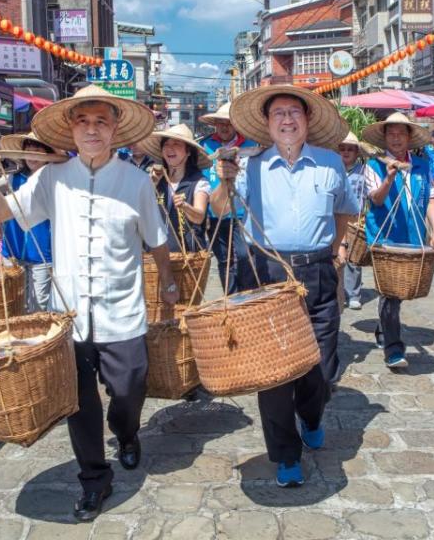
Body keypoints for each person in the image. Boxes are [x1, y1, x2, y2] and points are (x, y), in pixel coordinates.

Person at [0, 85, 178, 522]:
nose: (92, 130)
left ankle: (127, 432)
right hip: (72, 319)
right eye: (83, 121)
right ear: (71, 129)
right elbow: (5, 214)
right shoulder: (53, 178)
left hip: (124, 313)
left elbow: (157, 239)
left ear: (115, 128)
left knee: (129, 390)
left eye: (101, 121)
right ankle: (94, 480)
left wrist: (170, 282)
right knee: (79, 405)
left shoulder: (136, 181)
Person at [211, 85, 357, 488]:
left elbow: (344, 210)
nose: (288, 119)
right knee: (273, 372)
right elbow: (221, 211)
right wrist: (225, 181)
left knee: (322, 366)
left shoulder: (330, 163)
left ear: (308, 121)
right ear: (268, 124)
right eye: (279, 114)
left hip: (318, 273)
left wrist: (334, 249)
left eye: (295, 112)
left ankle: (311, 415)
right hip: (267, 275)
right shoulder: (248, 164)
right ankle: (286, 455)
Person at [361, 112, 434, 368]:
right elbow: (375, 198)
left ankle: (383, 327)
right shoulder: (373, 165)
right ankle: (394, 349)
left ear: (409, 138)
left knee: (402, 290)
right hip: (385, 235)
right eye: (391, 133)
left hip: (413, 234)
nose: (396, 138)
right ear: (385, 137)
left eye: (400, 133)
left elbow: (430, 198)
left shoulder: (421, 165)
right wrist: (389, 178)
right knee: (390, 291)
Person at [0, 132, 68, 313]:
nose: (32, 156)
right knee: (17, 303)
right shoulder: (13, 179)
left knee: (40, 303)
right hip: (14, 250)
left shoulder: (55, 181)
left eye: (37, 151)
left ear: (46, 155)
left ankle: (43, 339)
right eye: (28, 151)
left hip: (42, 253)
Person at [198, 102, 258, 293]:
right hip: (215, 213)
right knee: (224, 259)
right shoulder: (204, 145)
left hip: (243, 213)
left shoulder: (251, 146)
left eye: (229, 123)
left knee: (243, 255)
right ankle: (230, 298)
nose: (224, 127)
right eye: (220, 123)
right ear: (215, 124)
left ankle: (246, 295)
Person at [141, 124, 211, 254]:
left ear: (188, 151)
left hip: (187, 255)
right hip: (155, 254)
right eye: (166, 144)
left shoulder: (199, 182)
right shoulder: (155, 178)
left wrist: (185, 206)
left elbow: (199, 217)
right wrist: (152, 184)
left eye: (176, 144)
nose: (169, 148)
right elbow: (139, 209)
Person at [338, 131, 370, 310]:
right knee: (337, 256)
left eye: (350, 149)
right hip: (335, 219)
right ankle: (339, 292)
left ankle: (354, 294)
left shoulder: (363, 171)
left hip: (355, 220)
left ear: (357, 153)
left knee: (353, 258)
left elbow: (368, 196)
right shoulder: (334, 169)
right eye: (342, 149)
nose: (346, 152)